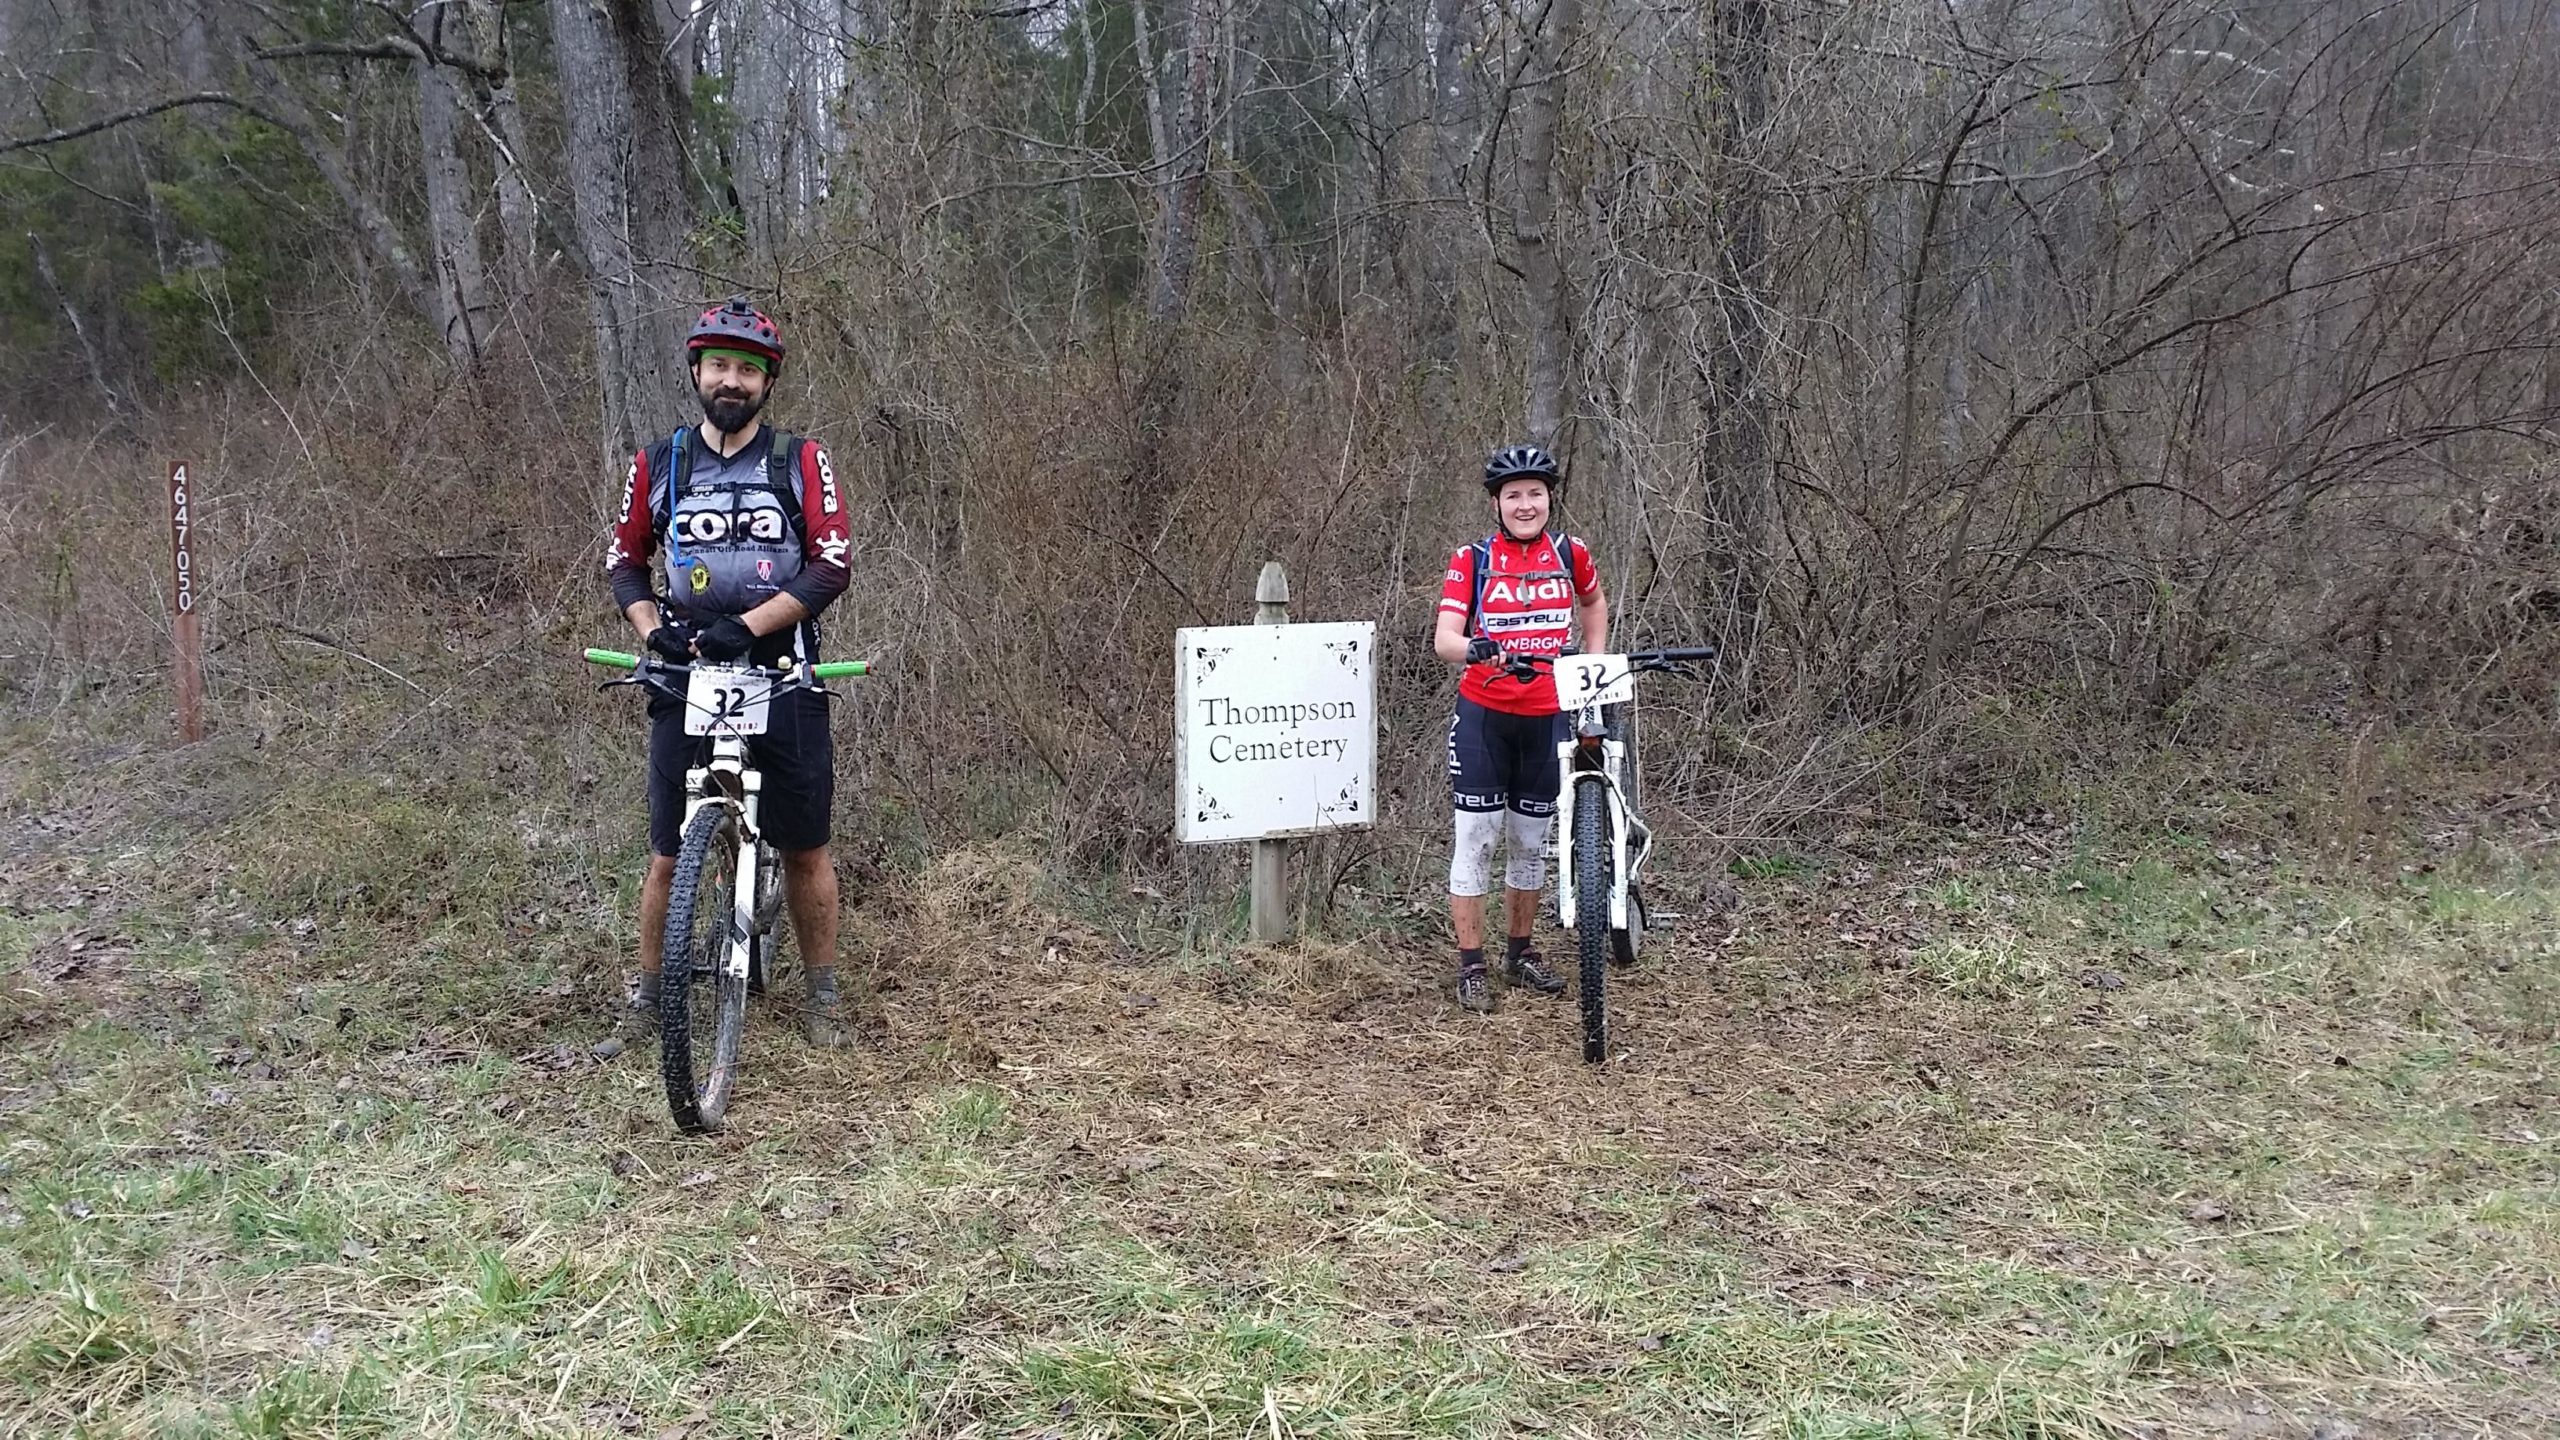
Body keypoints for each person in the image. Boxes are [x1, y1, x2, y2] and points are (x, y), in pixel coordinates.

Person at [601, 297, 855, 1046]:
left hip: (781, 672)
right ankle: (650, 1000)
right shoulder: (660, 463)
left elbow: (832, 563)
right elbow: (625, 562)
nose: (732, 381)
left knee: (805, 845)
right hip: (686, 679)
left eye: (748, 369)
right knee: (667, 853)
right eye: (719, 365)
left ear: (766, 383)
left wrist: (745, 626)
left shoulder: (801, 461)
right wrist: (656, 635)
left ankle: (824, 997)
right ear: (696, 372)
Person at [1430, 444, 1608, 1013]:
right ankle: (1472, 963)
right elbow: (1445, 640)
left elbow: (1594, 603)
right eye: (1514, 496)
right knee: (1477, 838)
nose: (1526, 505)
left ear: (1549, 499)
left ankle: (1520, 952)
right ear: (1497, 505)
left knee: (1531, 841)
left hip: (1547, 715)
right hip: (1485, 715)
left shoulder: (1570, 552)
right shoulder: (1473, 558)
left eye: (1535, 494)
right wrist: (1478, 647)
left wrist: (1591, 668)